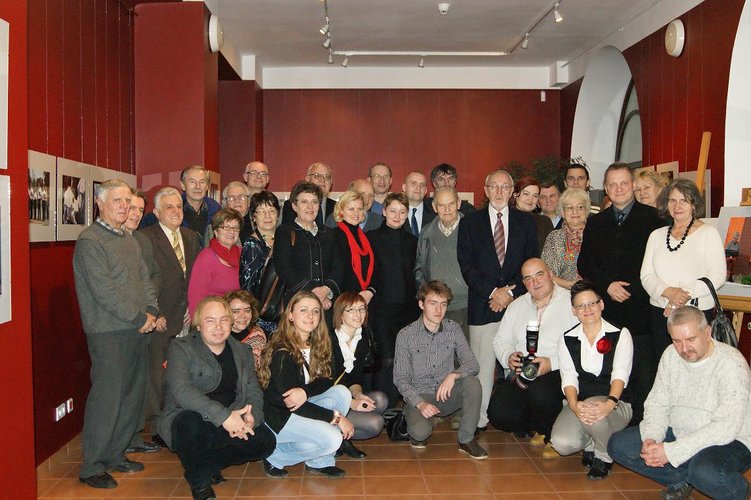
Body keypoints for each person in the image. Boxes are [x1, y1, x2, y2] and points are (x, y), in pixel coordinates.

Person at [608, 306, 751, 500]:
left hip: (730, 440)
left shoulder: (731, 363)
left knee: (705, 472)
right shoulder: (670, 355)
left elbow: (726, 427)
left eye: (691, 339)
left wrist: (672, 452)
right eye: (676, 341)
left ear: (707, 332)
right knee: (619, 446)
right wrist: (652, 437)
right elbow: (657, 403)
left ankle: (737, 490)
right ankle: (686, 479)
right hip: (680, 430)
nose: (684, 349)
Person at [73, 179, 158, 489]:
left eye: (128, 201)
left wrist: (152, 309)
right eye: (118, 201)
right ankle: (92, 466)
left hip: (136, 328)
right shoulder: (90, 241)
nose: (125, 207)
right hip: (108, 332)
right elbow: (104, 290)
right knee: (107, 399)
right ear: (99, 203)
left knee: (132, 396)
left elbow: (144, 278)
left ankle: (115, 454)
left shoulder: (127, 238)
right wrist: (139, 317)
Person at [160, 296, 276, 500]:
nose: (218, 326)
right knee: (190, 424)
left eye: (224, 320)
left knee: (266, 442)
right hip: (191, 417)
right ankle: (200, 482)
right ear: (199, 324)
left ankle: (202, 464)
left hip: (230, 419)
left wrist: (252, 415)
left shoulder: (243, 350)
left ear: (231, 323)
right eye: (210, 320)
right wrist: (224, 417)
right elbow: (182, 390)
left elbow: (253, 390)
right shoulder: (181, 347)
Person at [577, 162, 665, 424]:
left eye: (624, 183)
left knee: (643, 374)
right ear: (605, 188)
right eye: (612, 184)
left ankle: (642, 427)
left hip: (642, 310)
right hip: (608, 312)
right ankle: (610, 424)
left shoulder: (654, 219)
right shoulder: (596, 222)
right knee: (611, 371)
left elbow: (659, 264)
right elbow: (585, 263)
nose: (618, 189)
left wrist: (630, 289)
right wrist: (608, 286)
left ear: (633, 185)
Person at [457, 169, 538, 431]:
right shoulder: (470, 223)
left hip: (518, 305)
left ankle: (519, 418)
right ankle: (479, 419)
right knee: (482, 368)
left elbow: (531, 262)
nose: (499, 191)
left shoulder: (526, 223)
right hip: (483, 305)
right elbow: (466, 265)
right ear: (486, 190)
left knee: (519, 364)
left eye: (505, 187)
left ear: (512, 191)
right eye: (494, 186)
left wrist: (510, 293)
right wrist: (493, 292)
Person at [258, 291, 354, 478]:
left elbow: (328, 379)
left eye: (315, 311)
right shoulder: (282, 352)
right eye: (303, 310)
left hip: (301, 406)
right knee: (333, 438)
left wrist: (305, 391)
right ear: (290, 315)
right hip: (279, 417)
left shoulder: (318, 343)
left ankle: (319, 461)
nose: (310, 316)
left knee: (342, 392)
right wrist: (336, 418)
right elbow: (292, 404)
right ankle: (274, 455)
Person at [489, 258, 578, 457]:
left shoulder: (572, 302)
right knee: (498, 414)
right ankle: (540, 425)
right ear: (524, 283)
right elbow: (501, 340)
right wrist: (508, 356)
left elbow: (581, 345)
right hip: (524, 371)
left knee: (540, 392)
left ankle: (553, 434)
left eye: (539, 274)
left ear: (550, 274)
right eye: (528, 278)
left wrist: (552, 363)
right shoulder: (516, 306)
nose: (535, 282)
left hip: (559, 370)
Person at [393, 280, 487, 459]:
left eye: (443, 304)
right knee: (420, 435)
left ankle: (466, 440)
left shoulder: (453, 329)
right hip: (420, 395)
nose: (439, 310)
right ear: (421, 304)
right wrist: (420, 404)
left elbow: (472, 364)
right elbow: (400, 378)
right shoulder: (406, 335)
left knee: (472, 383)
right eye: (433, 304)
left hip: (446, 392)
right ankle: (419, 417)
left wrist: (453, 375)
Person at [550, 280, 633, 480]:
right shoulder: (567, 339)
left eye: (592, 303)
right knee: (561, 443)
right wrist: (573, 405)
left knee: (594, 410)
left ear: (601, 304)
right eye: (580, 306)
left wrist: (609, 404)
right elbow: (568, 377)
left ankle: (604, 456)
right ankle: (591, 444)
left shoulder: (620, 334)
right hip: (582, 404)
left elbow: (620, 374)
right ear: (574, 311)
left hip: (616, 403)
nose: (587, 309)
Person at [138, 187, 202, 440]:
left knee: (182, 371)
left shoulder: (190, 236)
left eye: (178, 206)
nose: (175, 211)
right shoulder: (145, 238)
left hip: (186, 316)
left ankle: (177, 419)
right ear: (156, 212)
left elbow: (194, 277)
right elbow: (143, 279)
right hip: (160, 317)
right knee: (157, 373)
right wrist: (156, 313)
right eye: (169, 207)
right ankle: (157, 426)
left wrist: (193, 308)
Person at [641, 178, 726, 355]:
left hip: (696, 311)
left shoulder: (709, 233)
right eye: (672, 200)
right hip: (660, 312)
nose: (677, 206)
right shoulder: (656, 235)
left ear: (694, 205)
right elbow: (646, 275)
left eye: (683, 201)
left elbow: (717, 275)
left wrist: (681, 295)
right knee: (665, 361)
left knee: (696, 361)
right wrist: (668, 292)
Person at [368, 192, 421, 406]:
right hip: (381, 309)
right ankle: (384, 407)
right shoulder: (371, 238)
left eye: (402, 211)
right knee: (387, 359)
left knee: (405, 361)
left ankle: (404, 406)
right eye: (393, 211)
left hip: (408, 310)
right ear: (384, 212)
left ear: (407, 213)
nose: (397, 216)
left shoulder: (412, 241)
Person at [330, 292, 387, 459]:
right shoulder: (329, 339)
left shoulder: (361, 338)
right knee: (375, 423)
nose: (358, 314)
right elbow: (324, 384)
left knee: (380, 399)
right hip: (326, 402)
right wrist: (352, 403)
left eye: (362, 309)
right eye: (351, 310)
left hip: (344, 398)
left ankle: (340, 435)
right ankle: (336, 439)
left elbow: (354, 379)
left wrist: (359, 395)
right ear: (340, 314)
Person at [274, 181, 341, 313]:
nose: (310, 207)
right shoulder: (285, 231)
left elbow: (338, 266)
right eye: (304, 202)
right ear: (294, 206)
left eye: (314, 202)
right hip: (297, 303)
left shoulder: (329, 233)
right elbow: (284, 267)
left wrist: (326, 290)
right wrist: (315, 294)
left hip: (327, 304)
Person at [415, 186, 470, 341]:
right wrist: (427, 297)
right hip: (436, 309)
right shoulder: (426, 233)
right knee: (436, 353)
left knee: (464, 352)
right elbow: (419, 267)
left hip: (466, 307)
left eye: (451, 204)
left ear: (458, 203)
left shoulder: (472, 229)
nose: (446, 209)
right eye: (441, 205)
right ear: (434, 207)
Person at [188, 208, 243, 316]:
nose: (232, 232)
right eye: (226, 227)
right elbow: (195, 297)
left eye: (235, 228)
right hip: (213, 317)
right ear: (216, 231)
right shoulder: (206, 257)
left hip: (238, 317)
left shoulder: (243, 254)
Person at [331, 191, 376, 304]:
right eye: (351, 209)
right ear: (341, 211)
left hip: (365, 298)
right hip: (343, 300)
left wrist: (369, 291)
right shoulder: (333, 236)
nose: (356, 213)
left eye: (360, 209)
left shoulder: (367, 238)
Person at [541, 188, 591, 289]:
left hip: (595, 290)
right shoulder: (554, 238)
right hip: (562, 291)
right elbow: (547, 272)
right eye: (569, 208)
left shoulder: (596, 233)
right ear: (563, 212)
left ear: (586, 210)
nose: (575, 211)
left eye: (580, 207)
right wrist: (570, 285)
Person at [240, 191, 280, 299]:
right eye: (262, 211)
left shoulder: (283, 239)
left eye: (272, 211)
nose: (267, 216)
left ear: (278, 215)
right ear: (254, 217)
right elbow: (248, 289)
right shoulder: (251, 245)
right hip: (261, 306)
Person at [281, 162, 337, 226]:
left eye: (327, 177)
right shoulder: (291, 205)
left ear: (331, 182)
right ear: (307, 179)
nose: (322, 180)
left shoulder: (338, 207)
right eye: (317, 176)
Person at [224, 290, 267, 369]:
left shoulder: (257, 336)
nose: (243, 316)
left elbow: (251, 369)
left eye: (247, 311)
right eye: (236, 312)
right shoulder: (218, 335)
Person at [511, 176, 554, 252]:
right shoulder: (505, 219)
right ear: (515, 194)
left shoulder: (544, 222)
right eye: (526, 194)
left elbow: (552, 252)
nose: (530, 199)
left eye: (535, 196)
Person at [180, 166, 221, 246]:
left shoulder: (216, 210)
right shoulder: (173, 210)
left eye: (202, 182)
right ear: (183, 185)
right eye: (192, 182)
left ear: (207, 186)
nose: (198, 186)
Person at [402, 171, 435, 236]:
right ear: (404, 187)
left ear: (425, 191)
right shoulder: (394, 212)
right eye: (413, 183)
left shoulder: (435, 212)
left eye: (422, 185)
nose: (418, 188)